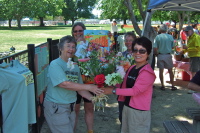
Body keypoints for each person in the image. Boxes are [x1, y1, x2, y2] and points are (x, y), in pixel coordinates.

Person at [43, 35, 103, 133]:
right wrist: (89, 87)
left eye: (73, 47)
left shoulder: (75, 67)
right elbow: (64, 84)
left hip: (71, 107)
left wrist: (95, 99)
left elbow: (80, 89)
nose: (71, 49)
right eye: (68, 46)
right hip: (57, 107)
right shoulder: (55, 64)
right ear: (60, 48)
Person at [103, 36, 156, 133]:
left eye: (142, 51)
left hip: (139, 112)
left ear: (148, 53)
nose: (138, 53)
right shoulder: (132, 68)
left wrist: (113, 91)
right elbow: (123, 85)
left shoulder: (147, 73)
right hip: (127, 107)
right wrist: (105, 85)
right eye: (135, 50)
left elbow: (135, 91)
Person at [71, 22, 95, 133]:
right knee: (75, 109)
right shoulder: (70, 45)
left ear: (84, 31)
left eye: (80, 30)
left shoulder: (91, 44)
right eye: (75, 31)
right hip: (74, 81)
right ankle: (72, 130)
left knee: (89, 108)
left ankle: (90, 130)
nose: (78, 33)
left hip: (88, 81)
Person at [117, 31, 137, 126]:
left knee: (133, 114)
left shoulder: (139, 55)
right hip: (122, 88)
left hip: (134, 89)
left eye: (130, 40)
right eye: (126, 40)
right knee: (122, 113)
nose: (128, 43)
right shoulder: (121, 55)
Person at [153, 24, 177, 91]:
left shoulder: (158, 37)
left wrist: (156, 54)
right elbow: (173, 46)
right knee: (170, 70)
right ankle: (172, 85)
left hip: (160, 55)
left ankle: (162, 85)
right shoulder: (170, 37)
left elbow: (155, 48)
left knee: (161, 71)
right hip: (168, 55)